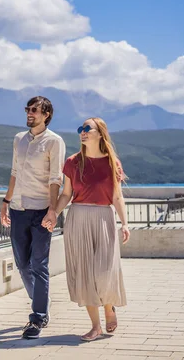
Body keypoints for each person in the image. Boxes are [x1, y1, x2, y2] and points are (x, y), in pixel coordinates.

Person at [44, 117, 130, 341]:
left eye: (87, 129)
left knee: (104, 272)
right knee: (84, 273)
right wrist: (53, 212)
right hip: (78, 217)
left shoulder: (112, 162)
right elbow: (66, 194)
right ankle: (95, 326)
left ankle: (109, 307)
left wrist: (125, 223)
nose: (82, 132)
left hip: (104, 218)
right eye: (80, 129)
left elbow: (117, 196)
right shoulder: (73, 162)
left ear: (100, 134)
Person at [1, 96, 66, 339]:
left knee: (39, 265)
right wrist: (5, 202)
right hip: (18, 209)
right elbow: (14, 173)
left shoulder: (54, 142)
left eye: (35, 110)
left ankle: (37, 317)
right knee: (21, 264)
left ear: (46, 114)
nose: (30, 113)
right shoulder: (19, 139)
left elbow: (55, 179)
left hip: (41, 210)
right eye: (28, 109)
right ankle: (42, 300)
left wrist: (53, 210)